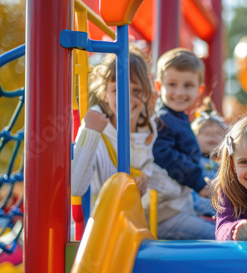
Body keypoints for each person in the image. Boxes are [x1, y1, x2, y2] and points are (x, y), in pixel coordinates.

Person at [71, 45, 157, 210]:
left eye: (136, 90)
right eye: (117, 90)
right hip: (97, 223)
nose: (127, 98)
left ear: (146, 93)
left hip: (130, 219)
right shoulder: (95, 127)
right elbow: (76, 187)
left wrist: (145, 178)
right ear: (105, 94)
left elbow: (148, 170)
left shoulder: (149, 128)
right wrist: (90, 134)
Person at [144, 48, 215, 239]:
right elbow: (164, 155)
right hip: (164, 212)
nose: (179, 92)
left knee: (222, 214)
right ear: (159, 87)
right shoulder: (161, 120)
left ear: (199, 90)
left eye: (187, 85)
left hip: (180, 203)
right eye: (172, 84)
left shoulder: (177, 118)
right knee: (217, 235)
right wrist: (198, 182)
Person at [190, 100, 228, 217]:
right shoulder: (193, 163)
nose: (212, 136)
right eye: (206, 134)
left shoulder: (226, 164)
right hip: (199, 210)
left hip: (223, 209)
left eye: (218, 133)